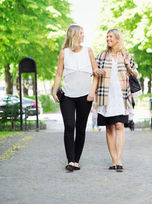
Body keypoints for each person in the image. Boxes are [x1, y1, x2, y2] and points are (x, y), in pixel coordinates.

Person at [52, 24, 98, 172]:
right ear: (74, 35)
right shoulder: (63, 53)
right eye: (81, 33)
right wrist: (54, 91)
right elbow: (59, 74)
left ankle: (76, 160)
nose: (83, 36)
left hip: (85, 96)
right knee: (69, 126)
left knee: (81, 128)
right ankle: (70, 160)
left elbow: (95, 72)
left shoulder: (88, 51)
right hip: (67, 95)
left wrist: (92, 92)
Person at [94, 29, 139, 172]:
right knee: (109, 127)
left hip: (121, 97)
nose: (108, 39)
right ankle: (113, 160)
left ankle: (119, 160)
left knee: (119, 125)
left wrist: (128, 65)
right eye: (107, 37)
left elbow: (136, 74)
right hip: (105, 96)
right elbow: (94, 72)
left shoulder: (126, 55)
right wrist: (96, 72)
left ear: (118, 39)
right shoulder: (101, 56)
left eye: (110, 37)